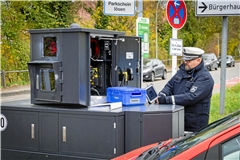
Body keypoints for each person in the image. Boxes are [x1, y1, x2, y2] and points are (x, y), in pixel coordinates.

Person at [156, 47, 214, 132]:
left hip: (193, 125)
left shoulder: (205, 78)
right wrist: (163, 94)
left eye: (188, 60)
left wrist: (167, 100)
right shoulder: (183, 70)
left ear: (198, 60)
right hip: (178, 120)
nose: (185, 62)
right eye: (184, 59)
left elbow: (191, 97)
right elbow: (170, 85)